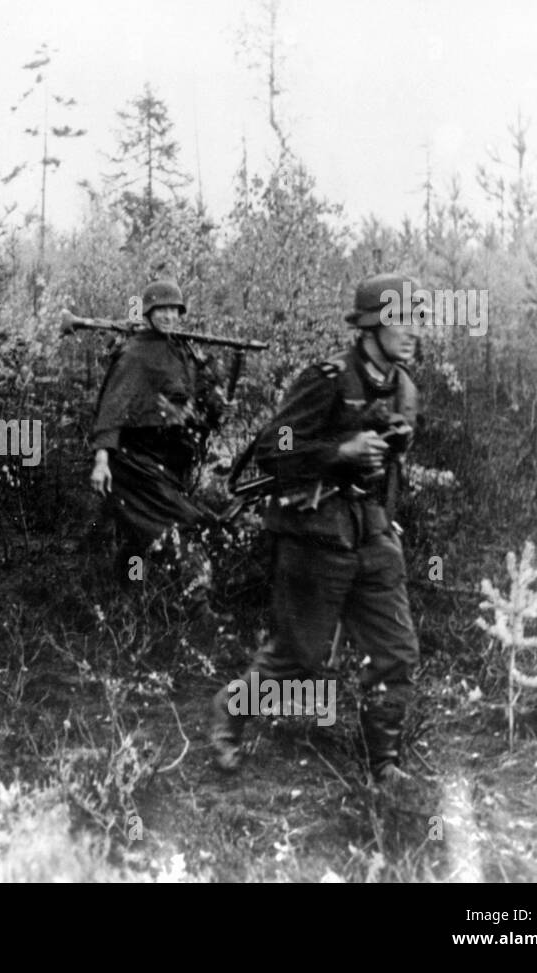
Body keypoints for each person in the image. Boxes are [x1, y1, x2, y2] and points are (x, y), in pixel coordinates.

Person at [208, 272, 424, 784]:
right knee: (298, 659)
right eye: (402, 320)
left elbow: (391, 464)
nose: (414, 330)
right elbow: (271, 448)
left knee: (396, 652)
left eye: (418, 319)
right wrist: (338, 453)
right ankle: (227, 718)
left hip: (371, 531)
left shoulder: (404, 388)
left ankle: (385, 764)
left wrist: (394, 445)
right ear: (371, 327)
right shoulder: (327, 379)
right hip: (315, 530)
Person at [88, 278, 228, 575]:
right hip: (134, 461)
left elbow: (198, 397)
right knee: (183, 524)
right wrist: (101, 460)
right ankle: (199, 611)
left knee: (140, 535)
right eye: (161, 310)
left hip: (166, 460)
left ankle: (124, 593)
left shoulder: (182, 350)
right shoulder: (135, 354)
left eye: (174, 310)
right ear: (149, 313)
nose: (169, 316)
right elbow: (113, 407)